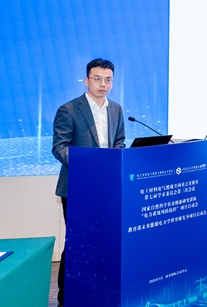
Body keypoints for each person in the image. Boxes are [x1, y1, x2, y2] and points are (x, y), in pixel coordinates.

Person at [51, 58, 127, 305]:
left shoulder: (116, 109)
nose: (103, 84)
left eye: (108, 80)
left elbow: (119, 141)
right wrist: (88, 167)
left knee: (105, 241)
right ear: (86, 81)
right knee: (77, 243)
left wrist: (113, 161)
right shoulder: (69, 110)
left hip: (107, 189)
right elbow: (60, 147)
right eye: (97, 79)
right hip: (78, 188)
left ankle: (99, 291)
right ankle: (66, 297)